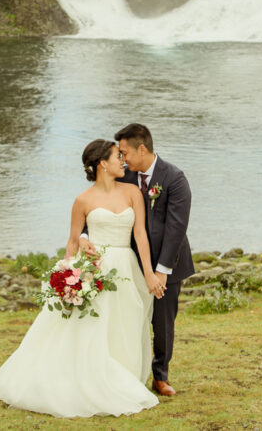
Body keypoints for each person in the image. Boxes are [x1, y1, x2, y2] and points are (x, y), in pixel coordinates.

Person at [0, 139, 163, 418]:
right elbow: (71, 242)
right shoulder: (83, 200)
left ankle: (124, 378)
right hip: (96, 268)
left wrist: (149, 273)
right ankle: (91, 377)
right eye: (118, 157)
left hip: (127, 266)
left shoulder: (132, 193)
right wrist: (70, 275)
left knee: (125, 320)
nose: (123, 161)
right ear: (102, 164)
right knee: (94, 326)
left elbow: (140, 235)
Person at [80, 123, 194, 398]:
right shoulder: (124, 174)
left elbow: (176, 228)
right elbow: (98, 205)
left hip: (169, 261)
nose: (122, 157)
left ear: (141, 149)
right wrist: (85, 235)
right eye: (118, 153)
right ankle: (122, 370)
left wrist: (162, 270)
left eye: (125, 152)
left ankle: (160, 376)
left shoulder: (174, 179)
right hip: (128, 261)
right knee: (128, 317)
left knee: (163, 321)